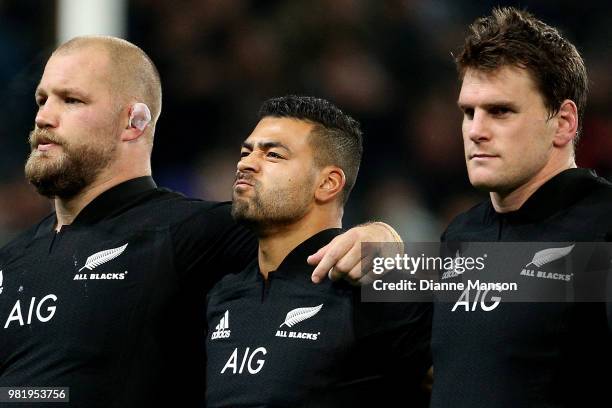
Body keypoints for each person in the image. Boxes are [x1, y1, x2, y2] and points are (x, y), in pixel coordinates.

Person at [0, 36, 402, 407]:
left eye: (71, 100)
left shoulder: (191, 232)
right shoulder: (11, 257)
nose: (44, 117)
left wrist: (380, 236)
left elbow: (314, 240)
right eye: (41, 99)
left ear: (134, 122)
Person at [430, 7, 612, 408]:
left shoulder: (603, 228)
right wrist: (377, 237)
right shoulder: (460, 236)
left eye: (500, 111)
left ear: (564, 122)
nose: (476, 130)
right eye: (468, 112)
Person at [205, 95, 432, 407]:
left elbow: (517, 274)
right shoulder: (222, 293)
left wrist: (394, 244)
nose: (245, 163)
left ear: (328, 183)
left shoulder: (366, 284)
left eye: (273, 155)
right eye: (246, 152)